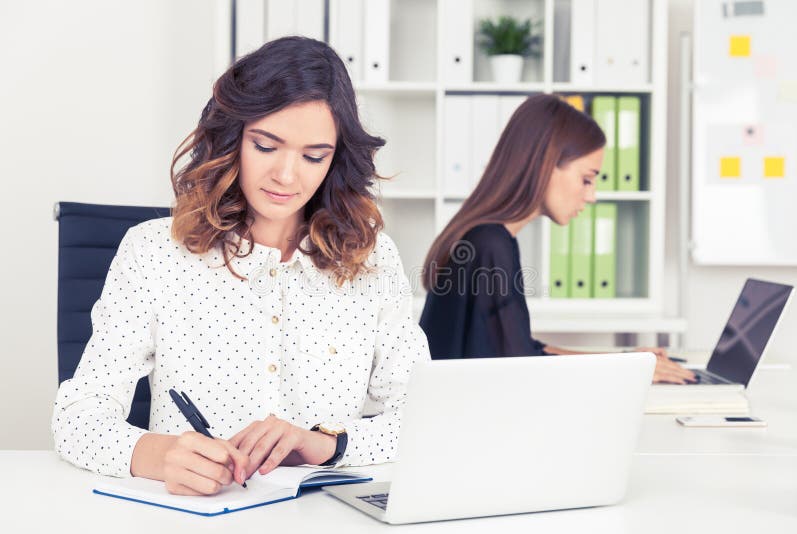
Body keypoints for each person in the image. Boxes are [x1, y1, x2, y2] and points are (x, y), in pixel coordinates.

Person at [52, 36, 429, 496]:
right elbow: (77, 417)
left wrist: (327, 445)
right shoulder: (153, 252)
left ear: (335, 160)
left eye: (314, 156)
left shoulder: (373, 260)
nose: (286, 176)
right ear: (232, 138)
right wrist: (157, 455)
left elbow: (424, 417)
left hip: (324, 517)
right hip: (196, 517)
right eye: (266, 146)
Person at [419, 94, 695, 385]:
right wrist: (629, 370)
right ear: (545, 165)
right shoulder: (490, 245)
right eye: (586, 179)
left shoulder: (486, 236)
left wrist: (629, 361)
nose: (592, 196)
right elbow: (522, 368)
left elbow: (522, 350)